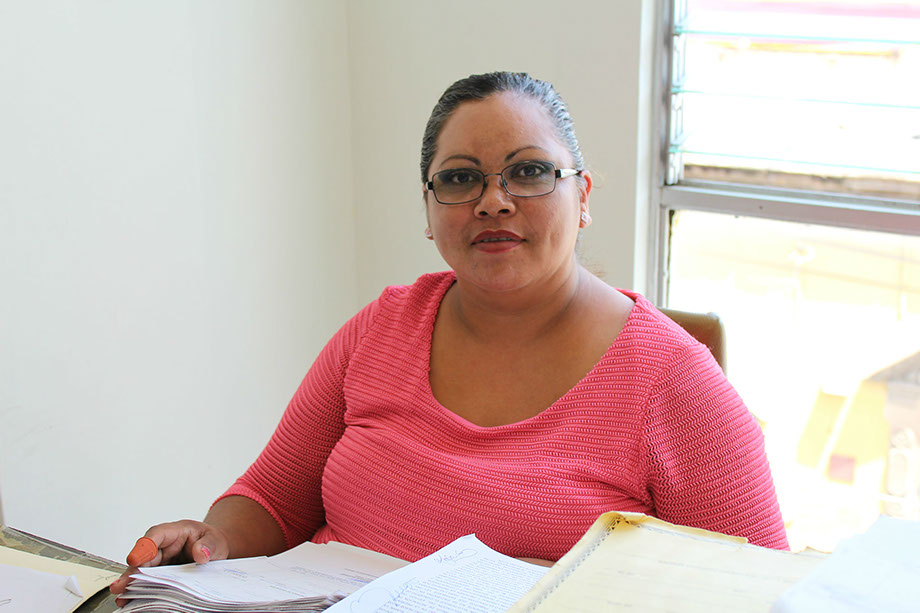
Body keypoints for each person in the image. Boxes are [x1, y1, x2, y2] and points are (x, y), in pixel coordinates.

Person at [111, 71, 787, 596]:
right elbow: (272, 497)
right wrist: (213, 542)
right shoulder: (381, 328)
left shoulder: (676, 383)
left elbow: (763, 594)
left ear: (582, 196)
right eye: (460, 179)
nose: (493, 201)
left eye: (529, 171)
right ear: (430, 212)